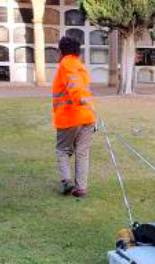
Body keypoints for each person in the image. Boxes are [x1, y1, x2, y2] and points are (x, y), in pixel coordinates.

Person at [52, 36, 97, 199]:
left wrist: (78, 98)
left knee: (62, 150)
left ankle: (66, 182)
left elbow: (74, 85)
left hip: (70, 116)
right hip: (88, 116)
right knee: (82, 153)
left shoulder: (67, 64)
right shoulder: (80, 66)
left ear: (61, 51)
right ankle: (81, 188)